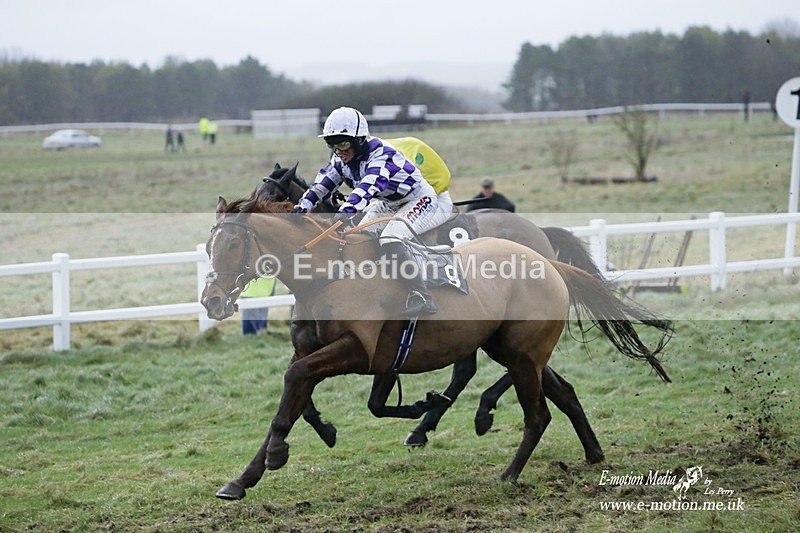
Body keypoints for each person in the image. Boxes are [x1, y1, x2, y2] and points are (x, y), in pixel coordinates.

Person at [290, 106, 449, 317]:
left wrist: (346, 211)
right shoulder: (341, 159)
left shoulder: (381, 155)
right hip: (389, 203)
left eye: (344, 144)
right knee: (359, 236)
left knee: (391, 239)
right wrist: (302, 205)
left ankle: (422, 295)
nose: (339, 151)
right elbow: (323, 184)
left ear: (360, 139)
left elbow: (367, 187)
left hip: (419, 200)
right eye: (332, 145)